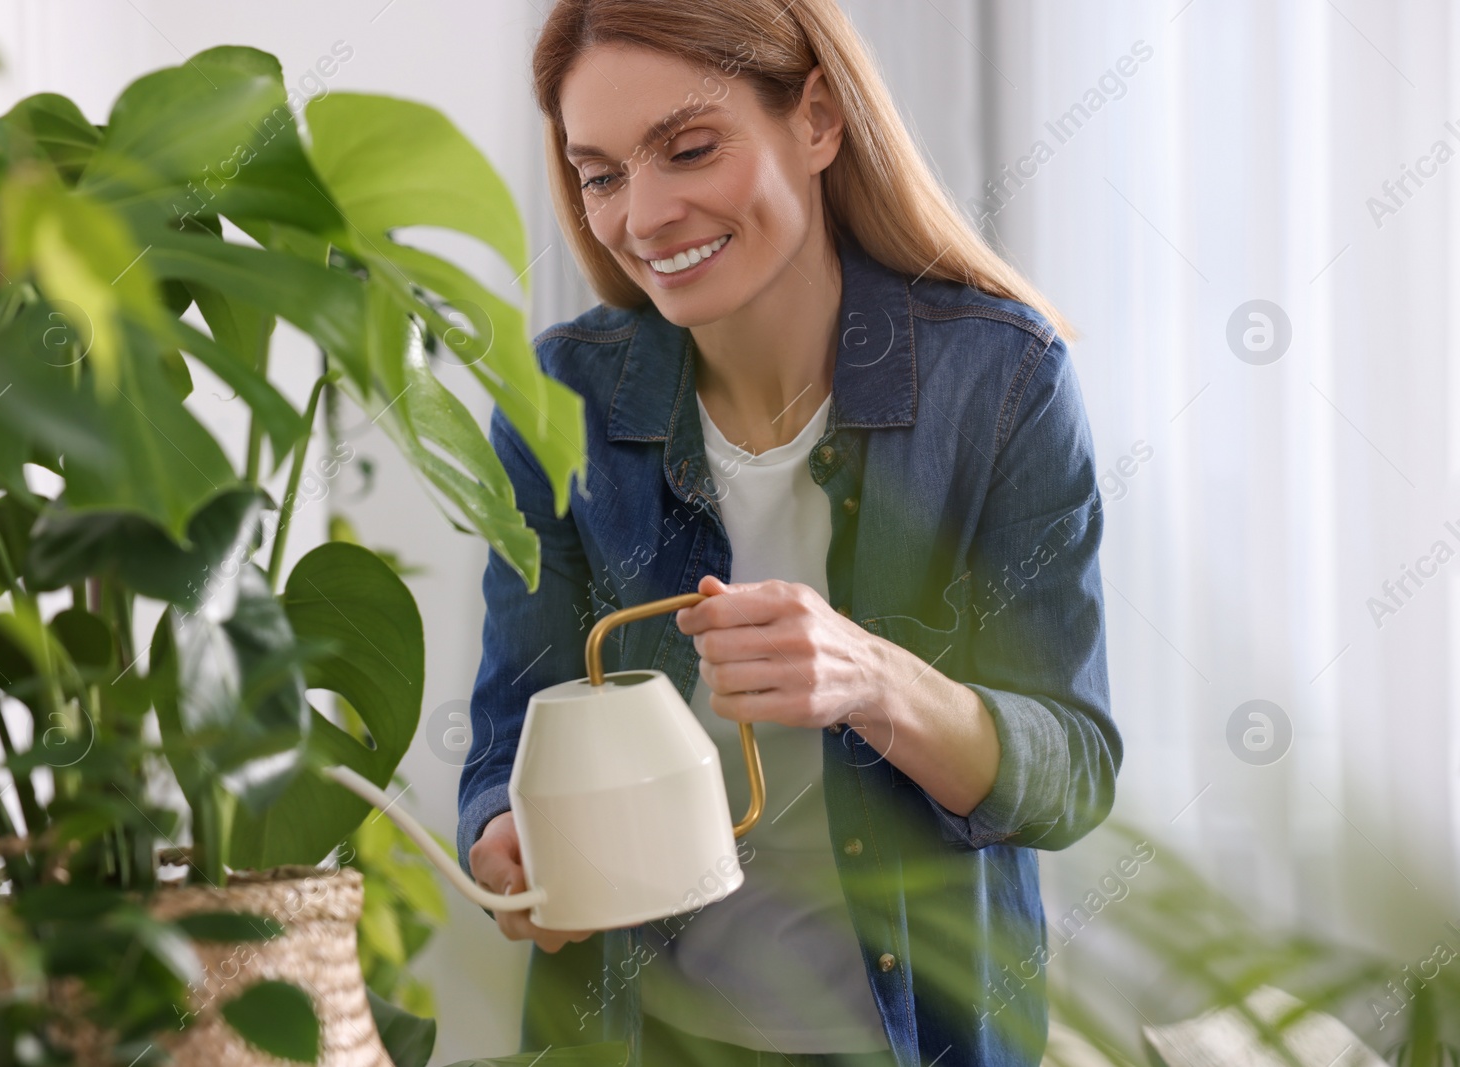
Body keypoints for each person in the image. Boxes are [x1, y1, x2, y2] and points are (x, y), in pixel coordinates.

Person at [456, 2, 1122, 1065]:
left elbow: (1071, 768)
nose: (645, 214)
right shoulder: (555, 401)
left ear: (816, 119)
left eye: (687, 149)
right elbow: (506, 741)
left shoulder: (1001, 380)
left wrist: (869, 678)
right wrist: (503, 845)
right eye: (602, 173)